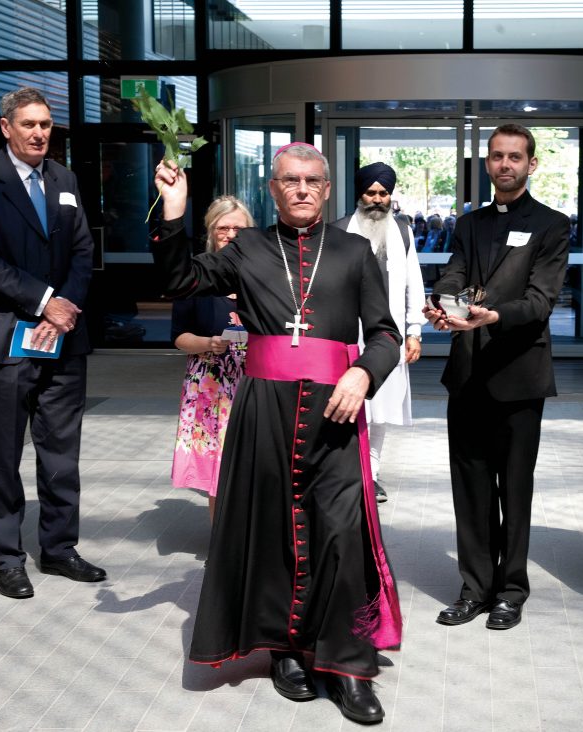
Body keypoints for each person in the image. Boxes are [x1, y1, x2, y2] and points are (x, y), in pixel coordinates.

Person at [151, 143, 402, 725]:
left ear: (328, 187)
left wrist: (364, 372)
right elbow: (179, 278)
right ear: (273, 188)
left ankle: (345, 666)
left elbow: (386, 334)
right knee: (273, 530)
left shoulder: (356, 251)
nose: (302, 189)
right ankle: (285, 648)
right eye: (290, 180)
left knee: (339, 534)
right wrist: (174, 211)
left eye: (313, 180)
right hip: (263, 412)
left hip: (336, 414)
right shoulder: (248, 248)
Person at [0, 87, 105, 600]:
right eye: (29, 125)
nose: (40, 133)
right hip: (6, 337)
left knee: (62, 454)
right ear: (6, 127)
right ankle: (7, 556)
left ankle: (60, 550)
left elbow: (83, 251)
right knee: (3, 454)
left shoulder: (64, 179)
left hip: (64, 337)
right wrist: (45, 301)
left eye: (46, 124)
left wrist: (63, 312)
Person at [426, 123, 569, 631]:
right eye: (496, 156)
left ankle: (511, 590)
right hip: (466, 374)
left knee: (514, 488)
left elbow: (541, 299)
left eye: (514, 157)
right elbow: (455, 272)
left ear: (531, 164)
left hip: (518, 375)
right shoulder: (470, 224)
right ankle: (474, 588)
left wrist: (493, 316)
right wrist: (443, 302)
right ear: (486, 164)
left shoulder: (552, 225)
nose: (504, 164)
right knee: (470, 489)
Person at [332, 162, 424, 503]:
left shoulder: (402, 231)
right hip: (348, 334)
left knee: (381, 409)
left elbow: (414, 282)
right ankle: (349, 472)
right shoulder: (339, 231)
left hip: (390, 336)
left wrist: (414, 331)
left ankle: (372, 476)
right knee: (350, 405)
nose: (377, 199)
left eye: (383, 193)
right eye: (370, 193)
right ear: (359, 194)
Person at [170, 196, 255, 522]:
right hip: (211, 388)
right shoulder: (196, 274)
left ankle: (253, 542)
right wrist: (208, 342)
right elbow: (179, 337)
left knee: (254, 465)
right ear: (211, 230)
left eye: (238, 227)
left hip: (253, 383)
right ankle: (221, 545)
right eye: (224, 227)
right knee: (217, 473)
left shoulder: (263, 274)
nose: (231, 234)